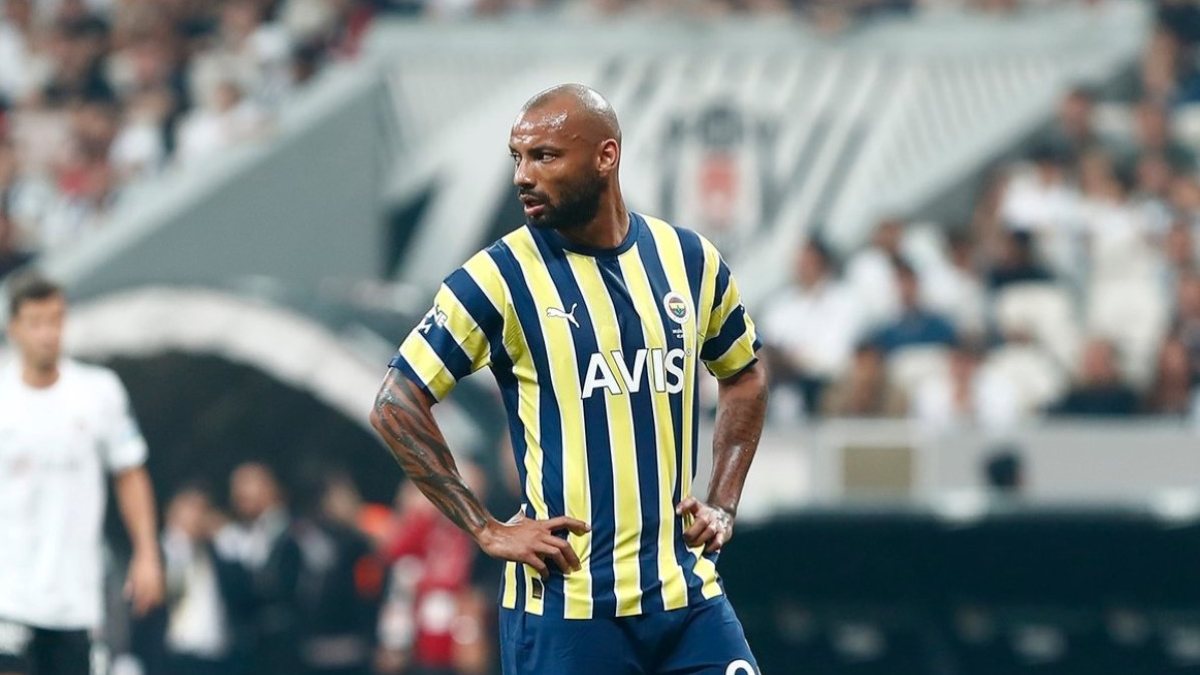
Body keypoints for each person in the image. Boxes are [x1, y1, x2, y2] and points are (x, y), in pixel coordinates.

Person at [369, 84, 768, 675]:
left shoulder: (689, 260)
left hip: (687, 598)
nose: (522, 176)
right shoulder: (497, 278)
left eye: (545, 156)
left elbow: (744, 376)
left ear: (606, 156)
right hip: (567, 609)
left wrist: (724, 502)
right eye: (517, 158)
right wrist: (486, 529)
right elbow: (395, 403)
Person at [0, 272, 164, 675]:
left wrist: (146, 552)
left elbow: (129, 472)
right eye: (36, 323)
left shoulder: (99, 391)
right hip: (9, 594)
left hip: (76, 599)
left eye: (56, 320)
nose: (48, 334)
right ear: (13, 328)